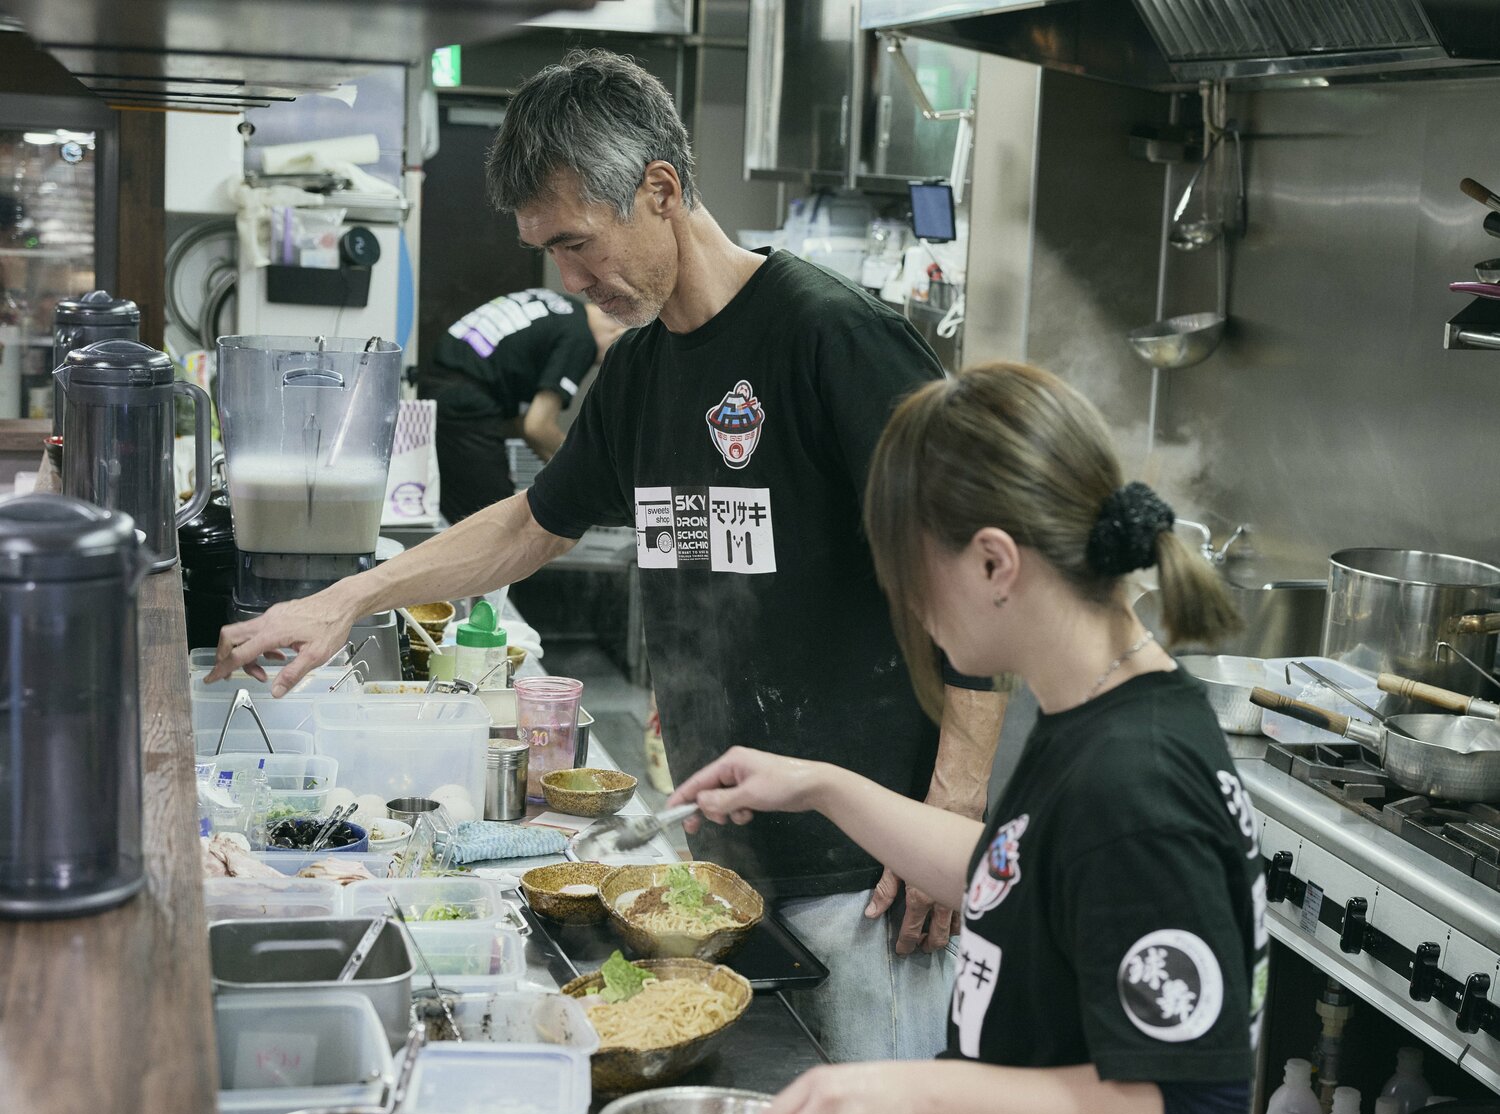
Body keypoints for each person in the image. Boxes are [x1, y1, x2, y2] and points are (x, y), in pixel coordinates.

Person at [208, 48, 1007, 1062]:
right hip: (723, 856)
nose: (571, 279)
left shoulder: (832, 337)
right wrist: (347, 599)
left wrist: (954, 808)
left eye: (578, 242)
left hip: (871, 875)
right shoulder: (637, 371)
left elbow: (974, 560)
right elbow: (529, 523)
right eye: (550, 250)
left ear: (661, 190)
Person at [671, 362, 1266, 1114]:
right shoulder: (1095, 712)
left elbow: (1190, 1104)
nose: (910, 612)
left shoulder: (1135, 779)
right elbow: (1016, 875)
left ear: (994, 562)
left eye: (911, 580)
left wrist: (908, 1090)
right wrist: (821, 786)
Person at [417, 288, 626, 523]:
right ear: (618, 335)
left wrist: (560, 469)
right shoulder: (580, 338)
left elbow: (524, 426)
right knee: (500, 524)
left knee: (466, 517)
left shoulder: (555, 303)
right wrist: (596, 472)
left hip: (437, 390)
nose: (600, 364)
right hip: (467, 408)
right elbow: (537, 427)